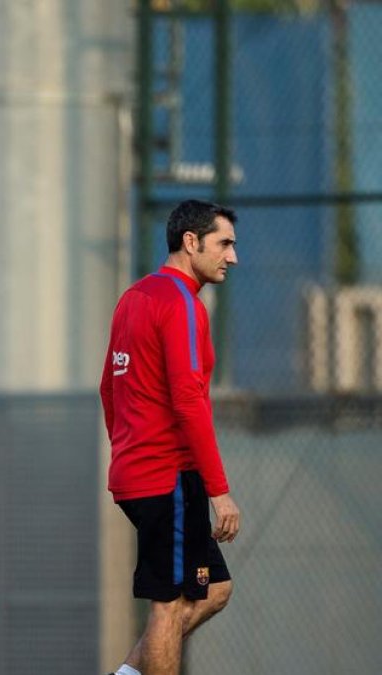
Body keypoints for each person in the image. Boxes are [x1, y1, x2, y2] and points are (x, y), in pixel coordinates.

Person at [100, 199, 242, 675]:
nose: (232, 256)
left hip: (138, 474)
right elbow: (188, 401)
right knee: (169, 603)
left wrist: (127, 451)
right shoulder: (181, 303)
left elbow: (108, 388)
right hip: (167, 478)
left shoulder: (134, 298)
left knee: (215, 588)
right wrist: (219, 492)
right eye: (224, 243)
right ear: (190, 241)